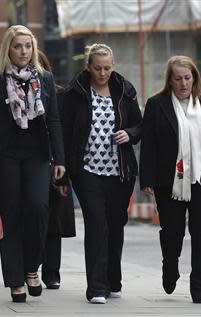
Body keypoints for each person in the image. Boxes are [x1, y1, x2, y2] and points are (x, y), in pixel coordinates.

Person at [140, 55, 201, 304]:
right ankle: (170, 266)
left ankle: (200, 288)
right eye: (178, 78)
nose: (183, 83)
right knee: (173, 233)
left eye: (187, 78)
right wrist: (147, 177)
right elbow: (149, 143)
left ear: (195, 79)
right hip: (169, 181)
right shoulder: (157, 104)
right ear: (170, 81)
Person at [0, 25, 65, 303]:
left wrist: (59, 159)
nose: (23, 52)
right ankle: (16, 279)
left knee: (39, 208)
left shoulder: (45, 78)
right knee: (11, 216)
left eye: (28, 46)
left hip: (37, 156)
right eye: (18, 46)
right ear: (8, 49)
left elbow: (53, 120)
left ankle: (32, 266)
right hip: (4, 157)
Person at [61, 43, 142, 304]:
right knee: (96, 224)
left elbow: (140, 126)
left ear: (113, 66)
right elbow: (64, 131)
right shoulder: (75, 92)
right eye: (98, 68)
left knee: (115, 225)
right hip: (87, 170)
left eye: (107, 68)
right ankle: (96, 287)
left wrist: (129, 134)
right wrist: (62, 170)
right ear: (88, 67)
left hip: (120, 172)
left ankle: (112, 280)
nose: (103, 73)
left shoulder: (125, 90)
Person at [36, 50, 76, 290]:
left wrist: (63, 169)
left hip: (55, 166)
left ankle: (52, 272)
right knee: (31, 217)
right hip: (29, 163)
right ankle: (29, 265)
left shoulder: (60, 96)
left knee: (54, 221)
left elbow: (66, 135)